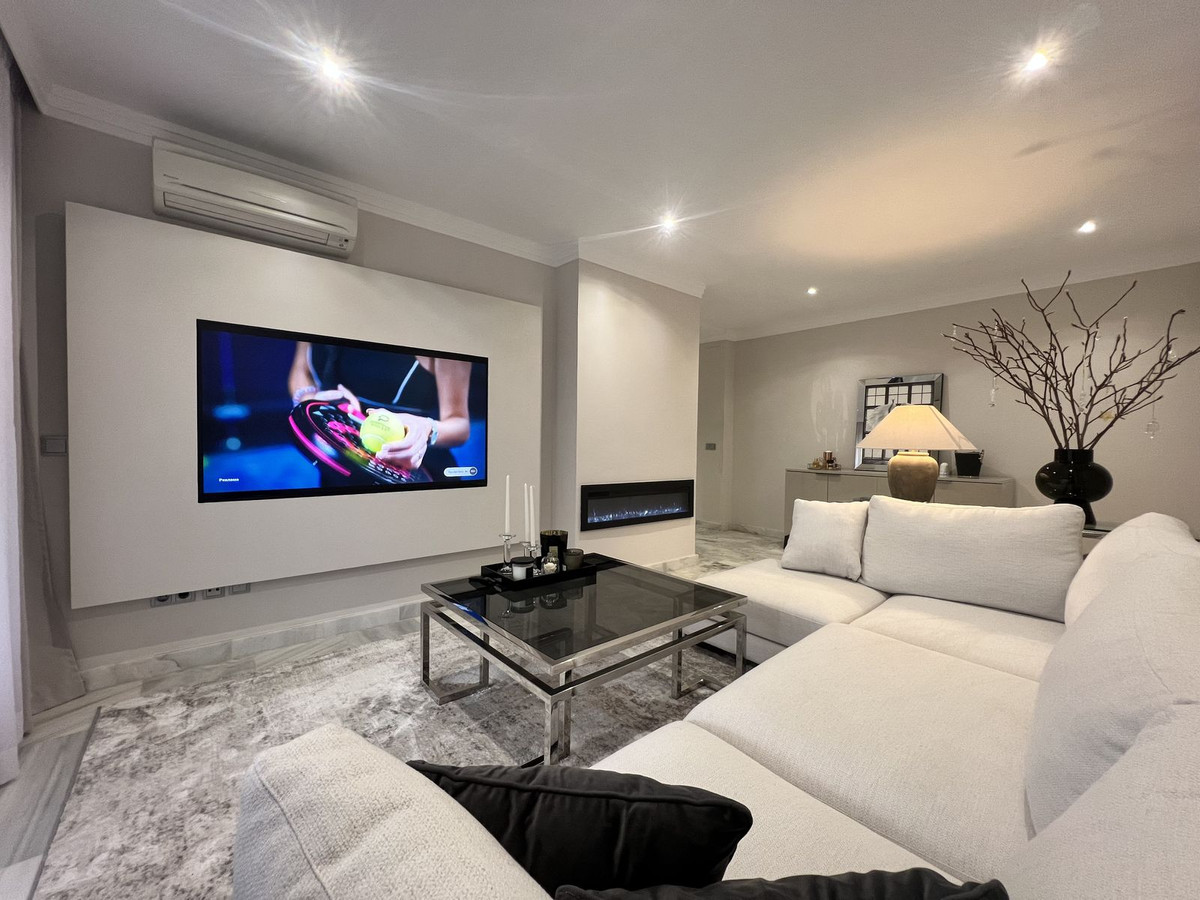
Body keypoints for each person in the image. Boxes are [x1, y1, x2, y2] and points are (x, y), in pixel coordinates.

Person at [287, 340, 470, 474]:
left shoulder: (440, 329)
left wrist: (426, 428)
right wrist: (312, 401)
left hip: (416, 477)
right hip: (338, 466)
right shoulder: (317, 315)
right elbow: (300, 370)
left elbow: (460, 425)